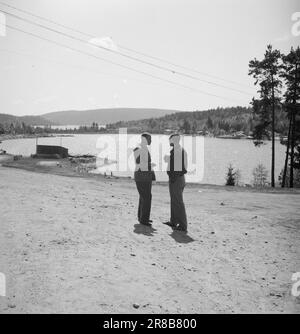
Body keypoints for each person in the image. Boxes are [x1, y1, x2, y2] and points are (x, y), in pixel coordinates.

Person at [165, 133, 188, 232]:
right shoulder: (177, 150)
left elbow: (179, 168)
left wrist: (173, 178)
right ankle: (173, 221)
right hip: (177, 179)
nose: (169, 142)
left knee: (178, 202)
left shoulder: (179, 151)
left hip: (177, 179)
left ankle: (183, 226)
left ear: (175, 141)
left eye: (170, 140)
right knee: (174, 200)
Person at [133, 133, 155, 226]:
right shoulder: (139, 148)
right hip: (142, 177)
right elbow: (138, 162)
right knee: (146, 197)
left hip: (145, 176)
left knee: (144, 197)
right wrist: (149, 164)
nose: (151, 141)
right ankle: (144, 220)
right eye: (150, 139)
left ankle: (142, 217)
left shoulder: (143, 148)